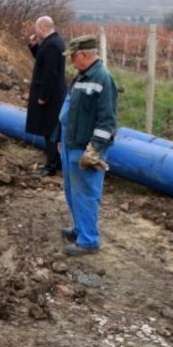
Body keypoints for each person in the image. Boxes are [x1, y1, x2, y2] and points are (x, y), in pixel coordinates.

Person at [51, 35, 118, 256]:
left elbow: (107, 121)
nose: (71, 60)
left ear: (85, 54)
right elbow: (67, 111)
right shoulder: (81, 77)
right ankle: (80, 229)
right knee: (72, 191)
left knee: (86, 193)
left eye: (73, 56)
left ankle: (89, 241)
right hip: (70, 142)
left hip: (85, 148)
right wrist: (60, 138)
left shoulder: (102, 79)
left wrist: (95, 148)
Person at [26, 16, 67, 176]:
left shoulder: (52, 45)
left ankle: (51, 165)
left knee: (49, 130)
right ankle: (54, 162)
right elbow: (42, 62)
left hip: (50, 96)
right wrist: (34, 46)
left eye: (36, 28)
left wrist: (43, 96)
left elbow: (50, 73)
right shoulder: (52, 42)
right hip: (52, 94)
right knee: (49, 130)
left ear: (42, 27)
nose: (36, 31)